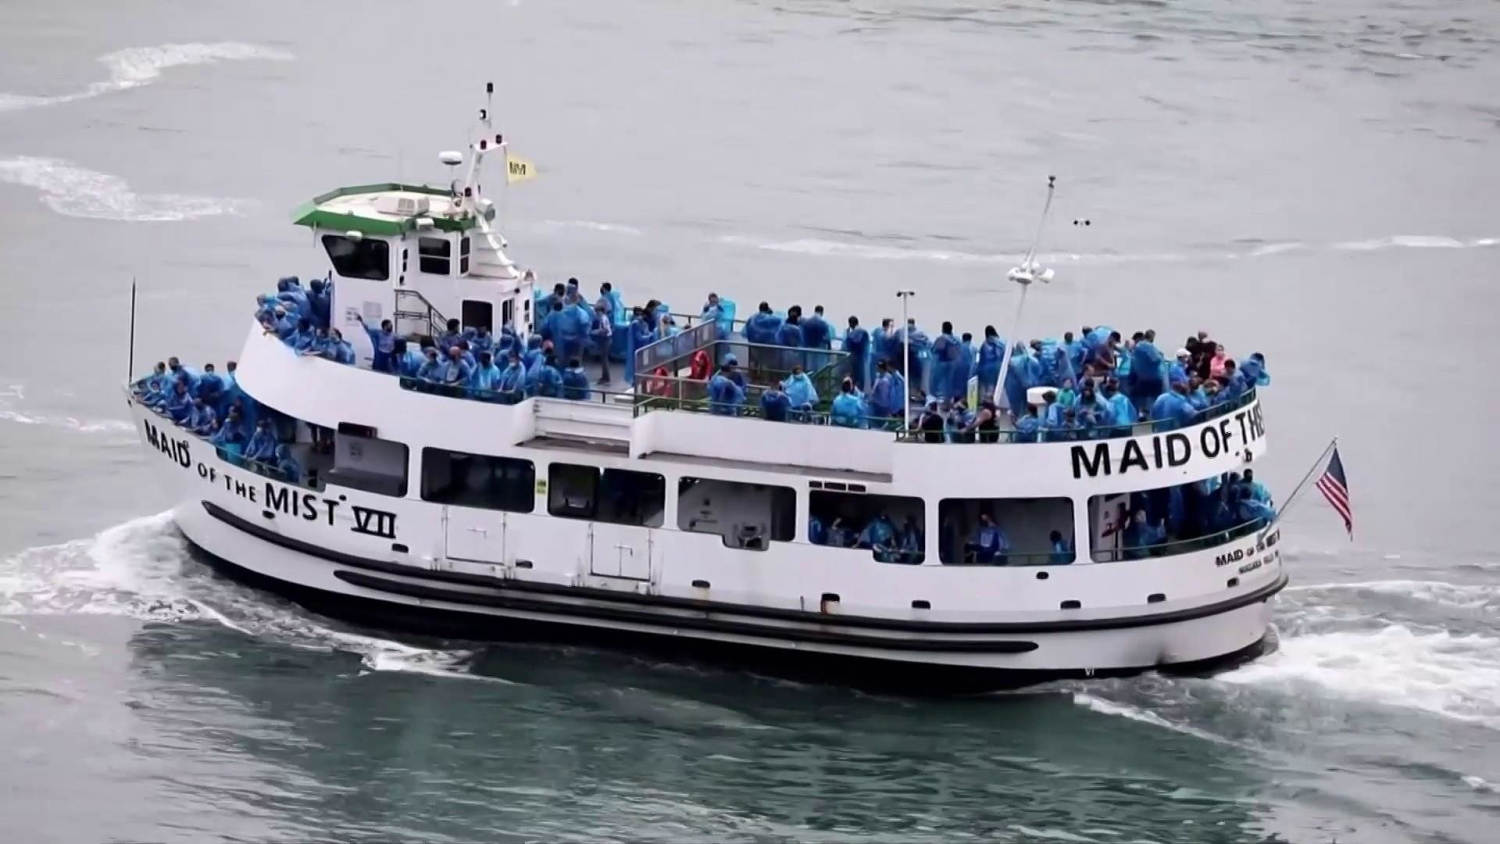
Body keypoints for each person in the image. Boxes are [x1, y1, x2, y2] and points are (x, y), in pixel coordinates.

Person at [930, 325, 958, 404]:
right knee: (949, 383)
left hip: (942, 363)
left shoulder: (942, 338)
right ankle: (948, 399)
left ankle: (938, 399)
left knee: (938, 381)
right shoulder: (956, 339)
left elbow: (934, 349)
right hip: (953, 364)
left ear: (942, 329)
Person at [976, 326, 1003, 403]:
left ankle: (986, 403)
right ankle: (993, 402)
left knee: (986, 388)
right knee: (994, 387)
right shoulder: (999, 342)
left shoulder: (984, 344)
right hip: (996, 368)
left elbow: (981, 357)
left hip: (985, 368)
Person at [590, 302, 613, 385]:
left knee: (604, 360)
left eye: (597, 312)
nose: (596, 313)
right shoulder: (604, 318)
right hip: (606, 339)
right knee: (604, 359)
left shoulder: (603, 319)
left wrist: (595, 332)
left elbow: (605, 330)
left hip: (605, 340)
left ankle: (606, 377)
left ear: (600, 311)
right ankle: (604, 376)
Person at [843, 316, 870, 390]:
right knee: (860, 376)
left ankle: (856, 390)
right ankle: (860, 391)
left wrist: (848, 335)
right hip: (862, 357)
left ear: (851, 323)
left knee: (855, 375)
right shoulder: (864, 331)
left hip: (855, 356)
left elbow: (849, 344)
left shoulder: (853, 333)